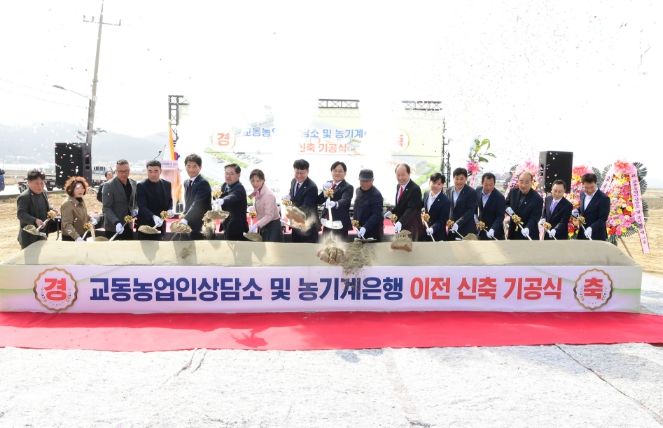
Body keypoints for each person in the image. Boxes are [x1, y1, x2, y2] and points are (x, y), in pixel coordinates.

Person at [317, 161, 354, 241]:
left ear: (345, 173)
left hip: (339, 224)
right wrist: (324, 192)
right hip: (327, 222)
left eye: (340, 171)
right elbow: (319, 200)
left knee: (339, 247)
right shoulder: (328, 184)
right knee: (326, 245)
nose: (337, 173)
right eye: (335, 171)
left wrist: (335, 203)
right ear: (331, 172)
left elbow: (345, 200)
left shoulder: (348, 187)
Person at [136, 160, 173, 240]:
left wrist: (170, 209)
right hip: (145, 226)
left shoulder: (167, 184)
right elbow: (142, 206)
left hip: (161, 224)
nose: (153, 174)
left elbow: (170, 201)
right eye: (150, 171)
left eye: (156, 171)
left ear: (160, 171)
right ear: (147, 171)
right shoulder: (141, 185)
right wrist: (153, 216)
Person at [179, 153, 212, 240]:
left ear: (200, 167)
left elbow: (197, 204)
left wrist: (186, 219)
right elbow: (188, 202)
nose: (191, 169)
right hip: (188, 223)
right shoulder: (186, 182)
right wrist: (184, 215)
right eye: (188, 166)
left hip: (201, 225)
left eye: (194, 166)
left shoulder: (203, 183)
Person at [16, 169, 52, 249]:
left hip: (42, 234)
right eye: (36, 183)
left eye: (42, 183)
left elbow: (45, 207)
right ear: (29, 183)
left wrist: (52, 210)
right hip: (29, 237)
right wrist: (35, 220)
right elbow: (21, 214)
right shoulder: (24, 197)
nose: (40, 186)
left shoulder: (43, 192)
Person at [102, 160, 137, 240]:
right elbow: (106, 207)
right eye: (120, 171)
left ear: (129, 170)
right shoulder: (109, 185)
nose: (123, 174)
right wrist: (116, 222)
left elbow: (134, 201)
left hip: (128, 225)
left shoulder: (133, 183)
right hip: (114, 227)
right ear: (116, 171)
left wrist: (135, 209)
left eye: (126, 171)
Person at [387, 163, 423, 240]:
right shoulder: (398, 186)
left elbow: (411, 209)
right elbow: (400, 205)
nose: (400, 178)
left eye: (403, 175)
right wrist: (391, 212)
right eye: (398, 175)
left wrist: (401, 222)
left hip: (411, 229)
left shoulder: (415, 189)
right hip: (400, 228)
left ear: (409, 174)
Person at [214, 163, 248, 241]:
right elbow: (218, 196)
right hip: (226, 224)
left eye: (231, 174)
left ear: (238, 175)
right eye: (226, 173)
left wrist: (223, 200)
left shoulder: (240, 188)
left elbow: (233, 196)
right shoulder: (224, 185)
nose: (228, 176)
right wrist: (215, 197)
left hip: (236, 227)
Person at [288, 159, 319, 243]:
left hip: (308, 226)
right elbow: (292, 197)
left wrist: (289, 213)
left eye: (302, 173)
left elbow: (306, 207)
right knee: (296, 248)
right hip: (295, 225)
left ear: (307, 171)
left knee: (308, 249)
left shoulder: (311, 187)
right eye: (297, 172)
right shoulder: (293, 181)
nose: (299, 176)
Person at [505, 172, 543, 240]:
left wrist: (528, 228)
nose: (523, 185)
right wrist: (508, 210)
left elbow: (534, 218)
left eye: (527, 182)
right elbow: (505, 204)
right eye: (521, 181)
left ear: (531, 182)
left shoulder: (537, 199)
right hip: (512, 233)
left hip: (528, 233)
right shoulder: (513, 192)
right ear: (518, 181)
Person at [248, 169, 283, 242]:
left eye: (258, 181)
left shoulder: (269, 195)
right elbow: (260, 203)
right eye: (252, 181)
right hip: (264, 224)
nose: (255, 183)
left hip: (272, 226)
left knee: (272, 248)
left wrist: (256, 225)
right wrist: (253, 208)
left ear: (263, 180)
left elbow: (269, 216)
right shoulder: (257, 190)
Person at [445, 167, 478, 240]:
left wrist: (458, 223)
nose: (459, 181)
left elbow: (470, 211)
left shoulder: (471, 192)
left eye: (461, 179)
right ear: (453, 178)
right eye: (456, 179)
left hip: (466, 229)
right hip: (451, 228)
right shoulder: (448, 190)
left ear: (466, 179)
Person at [575, 173, 610, 241]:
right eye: (586, 188)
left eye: (592, 187)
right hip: (582, 233)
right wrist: (577, 210)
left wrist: (591, 228)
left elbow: (602, 219)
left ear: (596, 184)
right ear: (582, 185)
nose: (589, 190)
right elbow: (585, 209)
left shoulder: (604, 198)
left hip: (597, 235)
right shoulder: (582, 194)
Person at [353, 169, 384, 241]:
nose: (364, 183)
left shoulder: (377, 195)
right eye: (362, 181)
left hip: (373, 230)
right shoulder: (358, 190)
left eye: (367, 181)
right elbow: (356, 207)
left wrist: (365, 227)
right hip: (360, 228)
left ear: (372, 180)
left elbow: (376, 215)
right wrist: (355, 221)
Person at [60, 176, 93, 241]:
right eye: (77, 188)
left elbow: (82, 214)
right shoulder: (67, 204)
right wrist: (77, 237)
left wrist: (90, 218)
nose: (81, 190)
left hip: (82, 235)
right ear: (71, 189)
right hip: (71, 238)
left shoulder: (80, 200)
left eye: (82, 188)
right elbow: (67, 225)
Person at [476, 172, 506, 240]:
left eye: (491, 185)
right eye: (486, 185)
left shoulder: (500, 197)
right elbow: (475, 204)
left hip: (495, 232)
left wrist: (493, 229)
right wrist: (475, 216)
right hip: (481, 229)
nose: (488, 187)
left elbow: (500, 216)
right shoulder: (478, 190)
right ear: (482, 183)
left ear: (494, 184)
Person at [422, 173, 450, 242]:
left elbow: (442, 220)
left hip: (438, 234)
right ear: (429, 182)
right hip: (425, 232)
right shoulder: (426, 194)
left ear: (442, 185)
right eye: (434, 183)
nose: (435, 186)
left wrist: (433, 228)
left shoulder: (445, 201)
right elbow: (422, 207)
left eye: (439, 184)